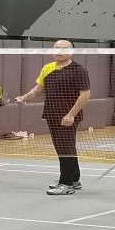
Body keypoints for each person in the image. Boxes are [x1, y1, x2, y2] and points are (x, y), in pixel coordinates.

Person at [15, 40, 91, 195]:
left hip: (68, 116)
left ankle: (66, 183)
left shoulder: (79, 71)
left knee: (65, 148)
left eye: (64, 48)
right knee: (63, 147)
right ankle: (74, 179)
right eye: (56, 48)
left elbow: (85, 94)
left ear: (72, 52)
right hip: (51, 113)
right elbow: (38, 89)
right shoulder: (47, 68)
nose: (59, 51)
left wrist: (71, 114)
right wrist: (24, 97)